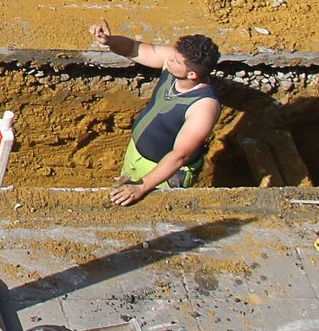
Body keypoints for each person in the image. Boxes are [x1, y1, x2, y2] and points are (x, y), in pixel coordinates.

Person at [89, 23, 222, 206]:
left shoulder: (204, 107)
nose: (169, 59)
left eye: (176, 60)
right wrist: (110, 41)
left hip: (164, 174)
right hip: (136, 155)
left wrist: (142, 186)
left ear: (192, 74)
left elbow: (180, 155)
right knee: (122, 196)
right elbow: (133, 48)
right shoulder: (172, 64)